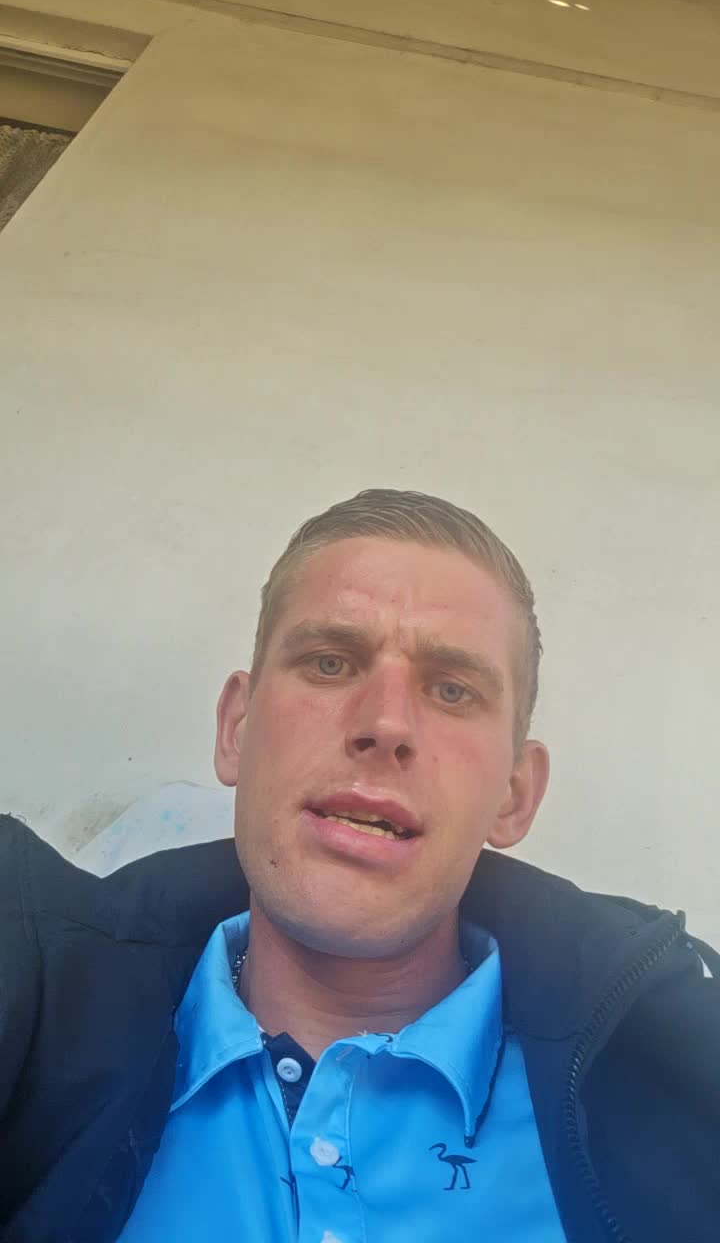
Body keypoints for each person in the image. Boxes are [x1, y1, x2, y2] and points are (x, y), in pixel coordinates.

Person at [1, 488, 718, 1243]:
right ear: (236, 728)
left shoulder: (686, 1095)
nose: (385, 723)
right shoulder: (32, 1019)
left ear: (514, 793)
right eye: (330, 662)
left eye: (452, 689)